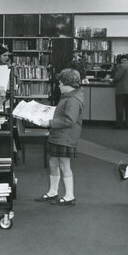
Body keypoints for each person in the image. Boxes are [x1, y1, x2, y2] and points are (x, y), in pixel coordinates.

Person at [37, 68, 84, 206]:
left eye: (60, 83)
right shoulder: (69, 96)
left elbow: (69, 120)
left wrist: (49, 122)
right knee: (53, 162)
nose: (58, 86)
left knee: (64, 164)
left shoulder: (73, 100)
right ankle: (53, 192)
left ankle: (70, 196)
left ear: (67, 84)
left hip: (66, 136)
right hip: (58, 135)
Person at [111, 55, 128, 129]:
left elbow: (117, 77)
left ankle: (120, 124)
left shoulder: (121, 66)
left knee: (119, 108)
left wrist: (112, 82)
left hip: (121, 90)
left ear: (120, 61)